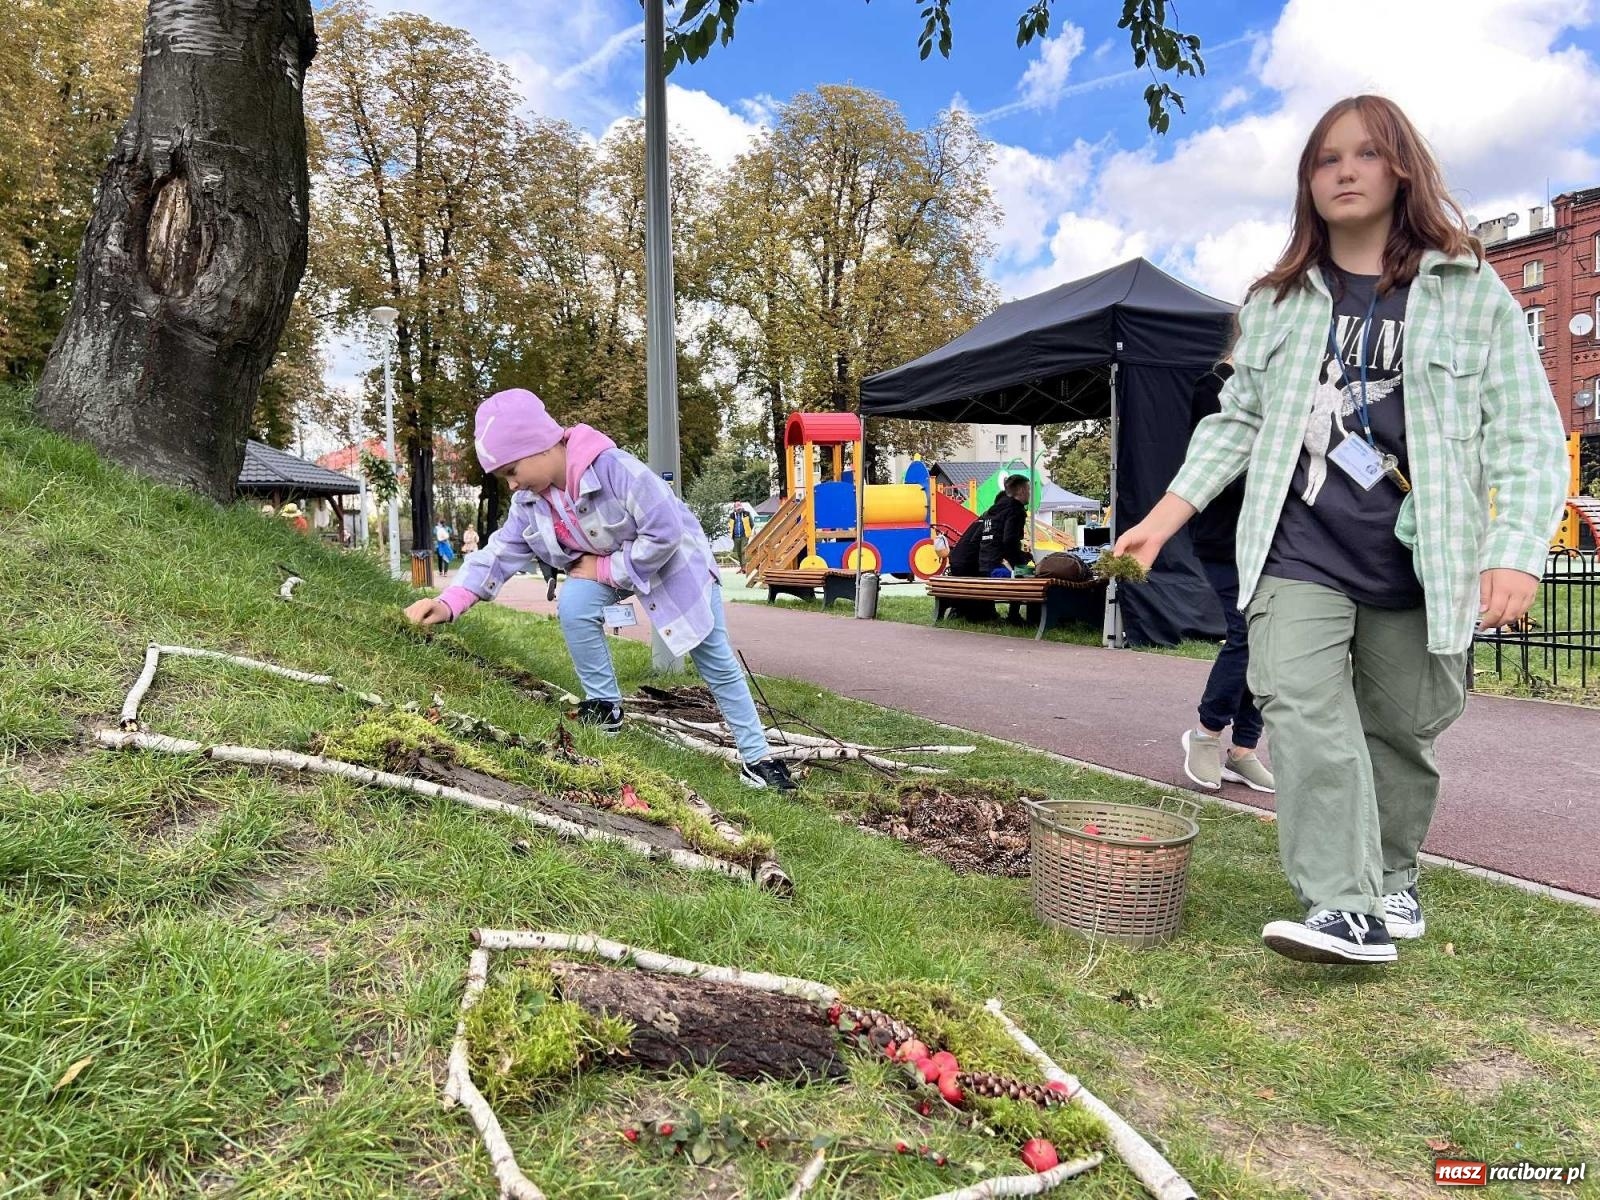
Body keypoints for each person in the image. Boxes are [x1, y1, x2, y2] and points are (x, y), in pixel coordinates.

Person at [1113, 96, 1567, 966]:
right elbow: (1237, 421)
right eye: (1326, 159)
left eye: (1364, 154)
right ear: (1308, 182)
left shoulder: (1469, 290)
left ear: (1401, 168)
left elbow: (1523, 427)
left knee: (1402, 732)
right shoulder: (1279, 300)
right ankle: (1344, 903)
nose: (1344, 171)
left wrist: (1514, 552)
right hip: (1297, 550)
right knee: (1299, 704)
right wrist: (1162, 517)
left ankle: (1392, 878)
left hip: (1420, 555)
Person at [403, 388, 797, 792]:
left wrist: (606, 567)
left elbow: (664, 532)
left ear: (538, 446)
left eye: (511, 470)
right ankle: (605, 707)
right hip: (609, 569)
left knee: (713, 656)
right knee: (574, 605)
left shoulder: (615, 469)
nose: (511, 484)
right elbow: (500, 553)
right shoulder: (530, 502)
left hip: (677, 564)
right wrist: (449, 602)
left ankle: (758, 757)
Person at [1181, 356, 1276, 796]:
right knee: (1245, 633)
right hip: (1225, 534)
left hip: (1274, 535)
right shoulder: (1215, 384)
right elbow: (1217, 460)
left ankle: (1243, 750)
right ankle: (1205, 732)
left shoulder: (1286, 386)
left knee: (1268, 638)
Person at [948, 475, 1035, 621]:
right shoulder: (1015, 510)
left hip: (983, 566)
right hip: (995, 568)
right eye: (1028, 489)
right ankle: (1018, 616)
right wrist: (1022, 561)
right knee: (1034, 574)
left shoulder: (991, 513)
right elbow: (1010, 541)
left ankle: (1010, 615)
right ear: (1021, 490)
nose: (1030, 494)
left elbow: (984, 541)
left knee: (1025, 572)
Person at [727, 502, 754, 569]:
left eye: (739, 508)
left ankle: (744, 567)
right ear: (735, 509)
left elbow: (752, 524)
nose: (739, 509)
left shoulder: (746, 514)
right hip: (735, 537)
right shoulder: (732, 515)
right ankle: (741, 567)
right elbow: (730, 525)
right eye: (737, 508)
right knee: (738, 552)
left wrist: (748, 531)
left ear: (741, 507)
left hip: (744, 536)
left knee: (743, 550)